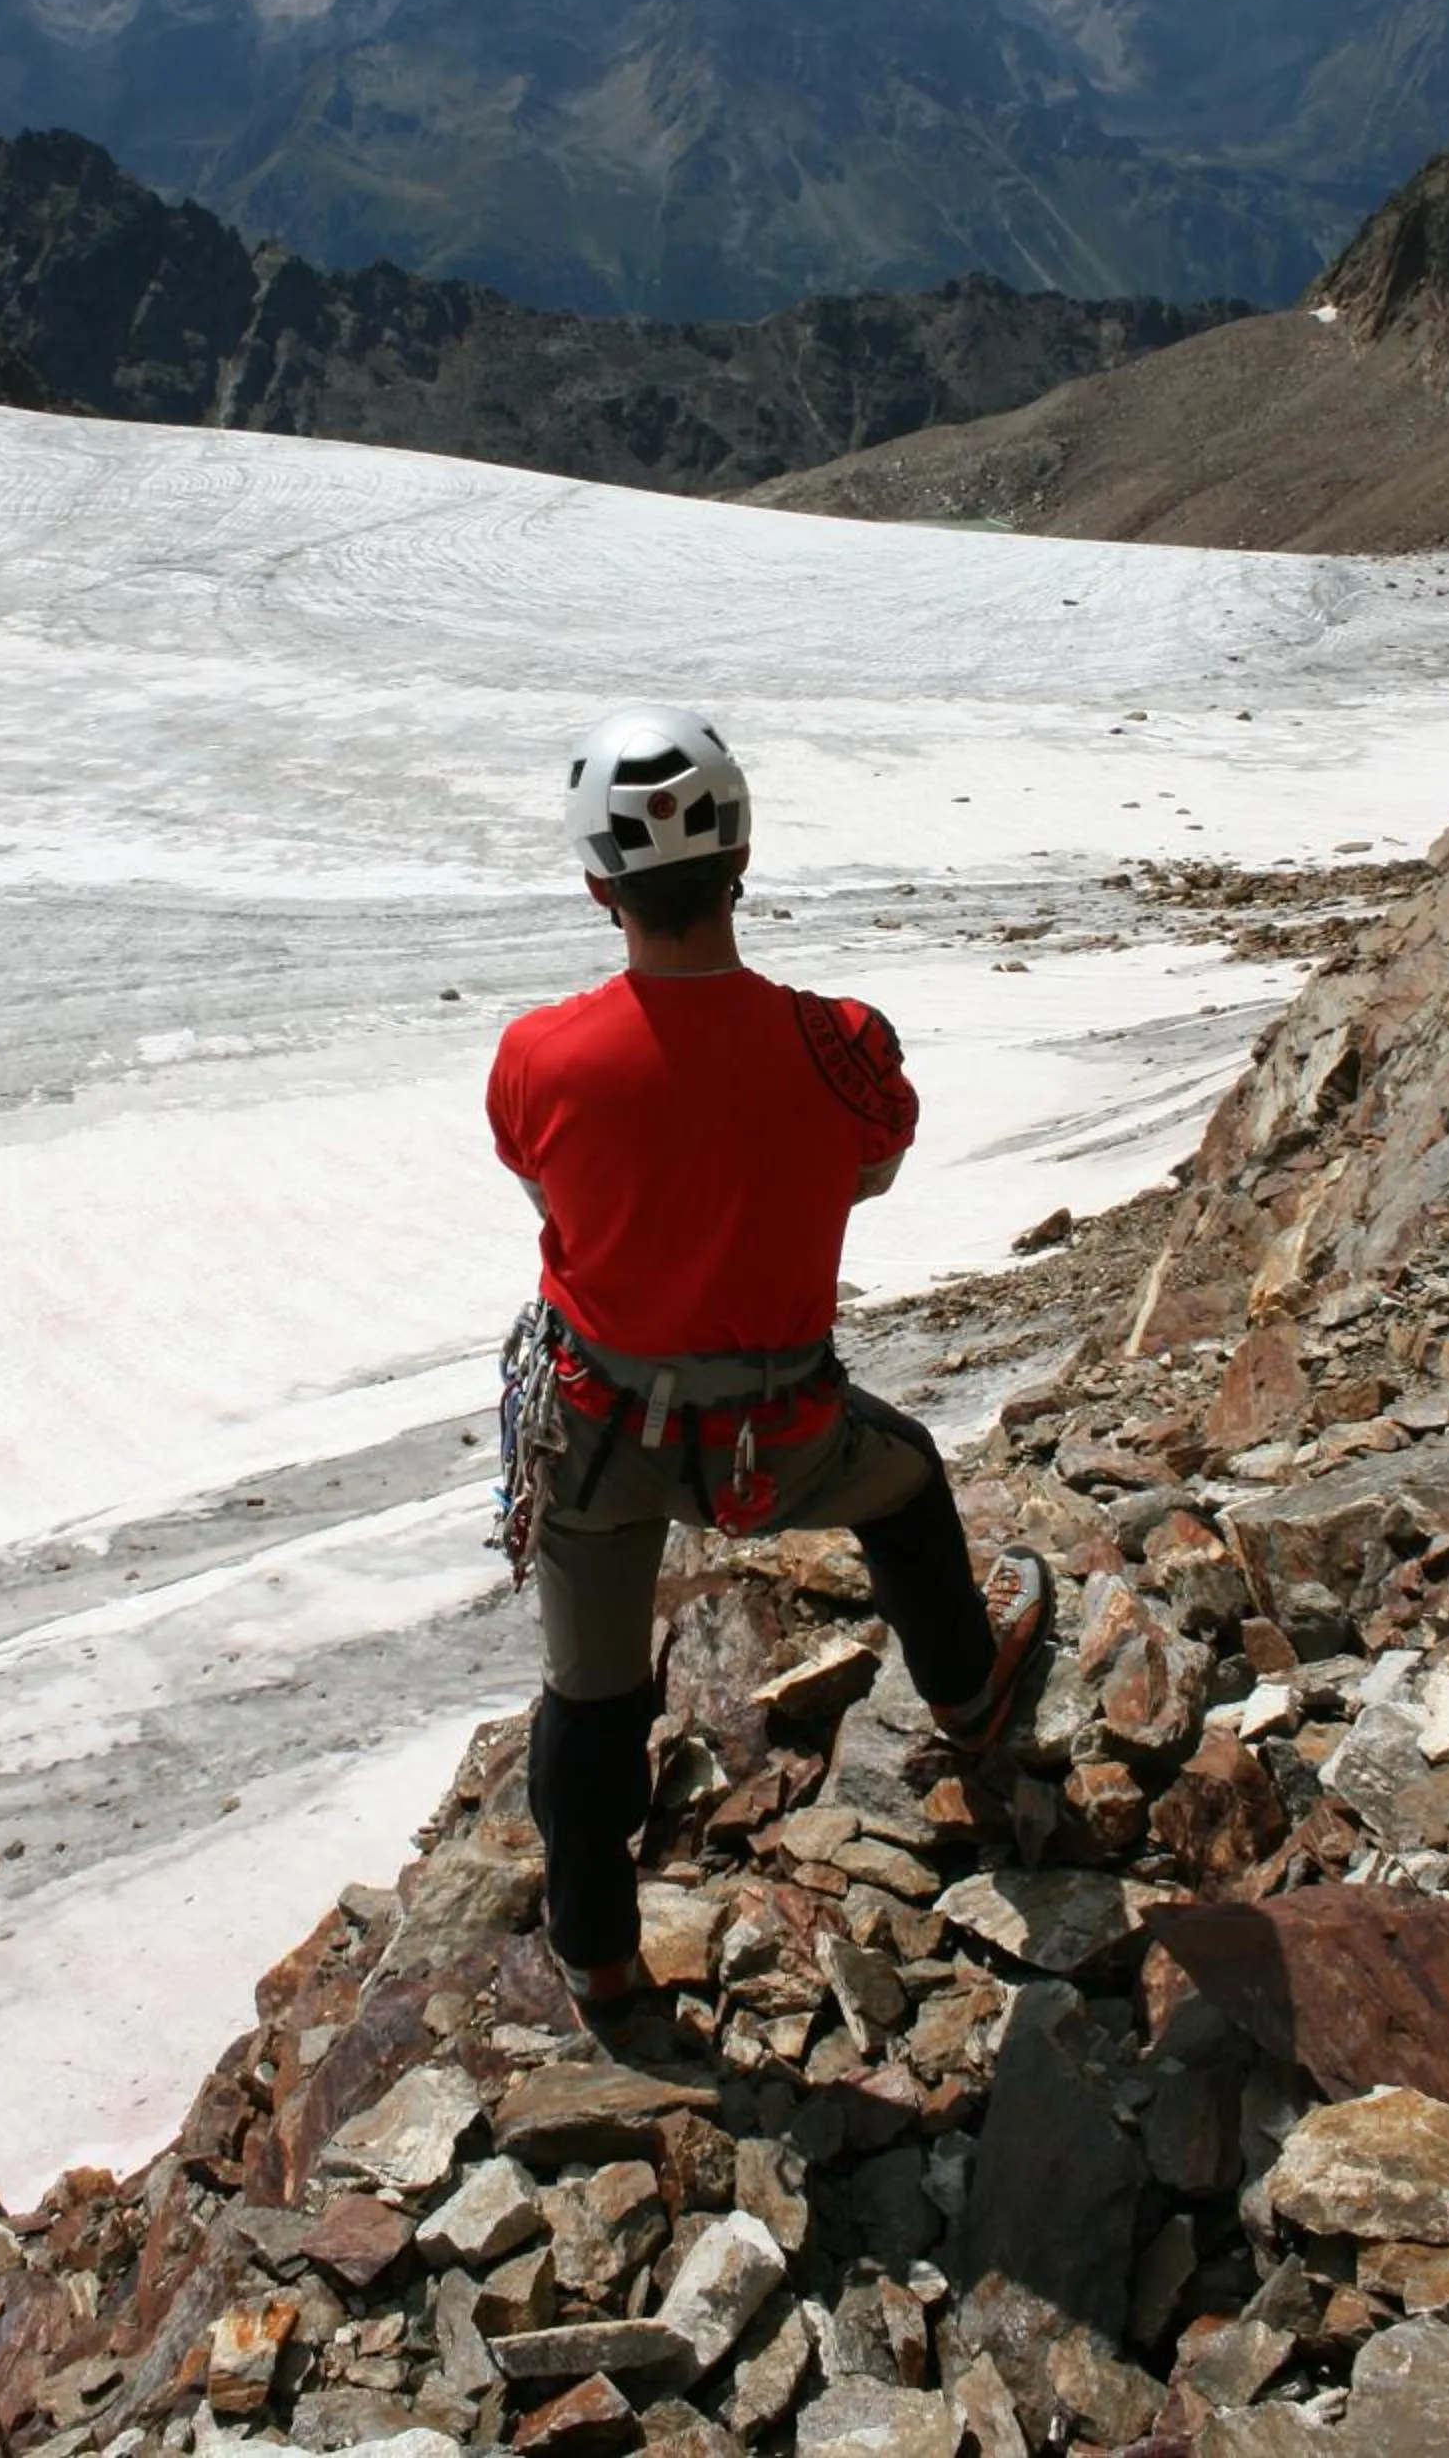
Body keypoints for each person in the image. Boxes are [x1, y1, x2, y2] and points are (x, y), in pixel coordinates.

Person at [485, 702, 1049, 2026]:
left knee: (591, 1695)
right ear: (742, 863)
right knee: (906, 1487)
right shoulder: (839, 1043)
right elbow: (875, 1165)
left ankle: (601, 1955)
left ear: (595, 887)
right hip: (784, 1437)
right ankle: (969, 1701)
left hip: (600, 1435)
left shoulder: (539, 1058)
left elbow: (543, 1183)